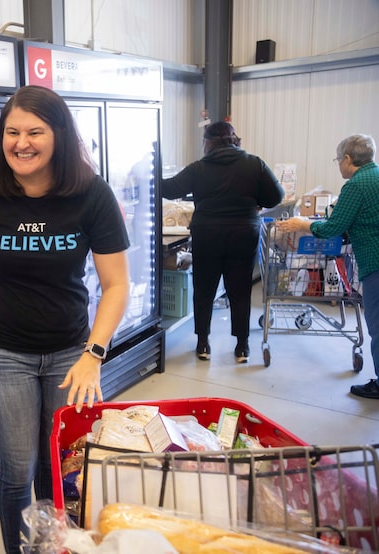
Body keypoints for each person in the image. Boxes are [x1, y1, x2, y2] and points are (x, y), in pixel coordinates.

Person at [0, 85, 131, 553]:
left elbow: (116, 285)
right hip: (4, 352)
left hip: (69, 352)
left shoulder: (91, 195)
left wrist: (93, 354)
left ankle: (56, 546)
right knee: (18, 469)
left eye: (35, 131)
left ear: (58, 135)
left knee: (56, 465)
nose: (22, 142)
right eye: (12, 132)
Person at [160, 121, 284, 363]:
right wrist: (255, 199)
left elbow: (170, 189)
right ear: (234, 139)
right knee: (239, 289)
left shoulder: (199, 168)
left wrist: (150, 167)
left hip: (207, 234)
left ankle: (203, 344)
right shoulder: (254, 163)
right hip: (243, 233)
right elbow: (276, 196)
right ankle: (242, 347)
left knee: (204, 289)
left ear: (208, 142)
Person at [277, 134, 379, 399]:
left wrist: (302, 224)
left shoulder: (356, 185)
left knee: (377, 326)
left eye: (337, 159)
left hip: (375, 263)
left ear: (347, 159)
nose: (338, 165)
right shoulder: (376, 175)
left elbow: (333, 227)